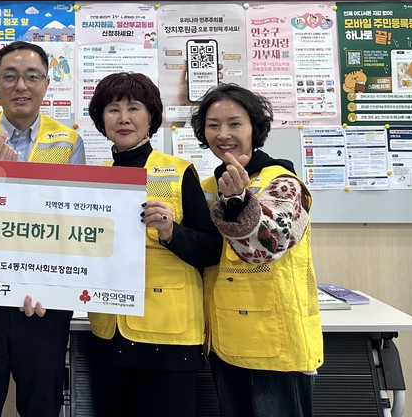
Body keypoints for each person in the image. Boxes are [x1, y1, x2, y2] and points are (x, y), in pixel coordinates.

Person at [0, 41, 85, 417]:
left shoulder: (69, 141)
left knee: (42, 405)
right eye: (10, 76)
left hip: (43, 303)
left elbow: (71, 222)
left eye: (31, 76)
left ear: (46, 84)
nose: (21, 85)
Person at [85, 72, 222, 417]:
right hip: (110, 331)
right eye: (113, 109)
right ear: (101, 119)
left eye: (134, 108)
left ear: (152, 117)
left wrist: (170, 231)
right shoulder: (93, 179)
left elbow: (211, 250)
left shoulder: (178, 172)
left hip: (168, 333)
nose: (124, 118)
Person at [190, 83, 323, 417]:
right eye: (213, 125)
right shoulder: (208, 187)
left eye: (235, 123)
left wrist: (238, 202)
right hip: (226, 340)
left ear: (255, 127)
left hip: (275, 343)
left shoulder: (282, 183)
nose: (223, 134)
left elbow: (269, 245)